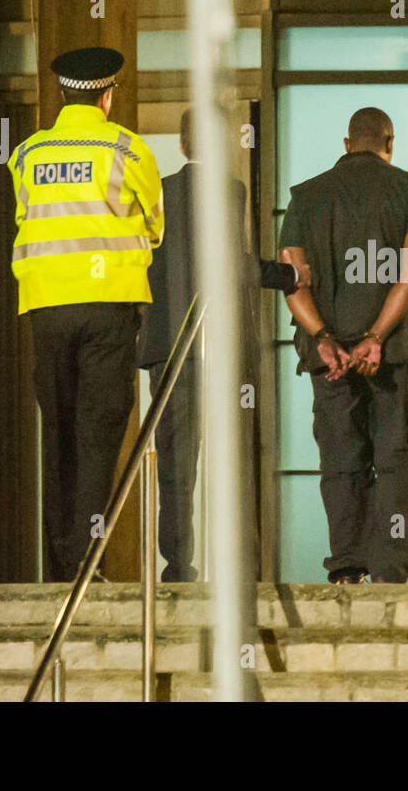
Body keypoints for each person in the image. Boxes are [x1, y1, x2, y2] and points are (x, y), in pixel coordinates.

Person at [7, 46, 164, 583]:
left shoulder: (27, 154)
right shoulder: (127, 149)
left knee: (60, 429)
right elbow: (154, 224)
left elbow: (28, 217)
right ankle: (84, 556)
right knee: (100, 428)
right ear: (107, 94)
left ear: (62, 94)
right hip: (108, 306)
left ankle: (59, 559)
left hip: (45, 306)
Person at [136, 108, 308, 582]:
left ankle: (177, 564)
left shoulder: (157, 193)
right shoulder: (229, 191)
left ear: (182, 142)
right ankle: (239, 562)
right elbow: (230, 264)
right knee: (236, 453)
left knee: (174, 459)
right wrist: (287, 275)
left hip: (167, 345)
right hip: (218, 345)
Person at [279, 107, 408, 584]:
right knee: (395, 461)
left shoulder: (305, 197)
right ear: (389, 143)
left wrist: (325, 339)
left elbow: (292, 278)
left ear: (347, 144)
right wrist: (375, 339)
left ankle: (346, 566)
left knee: (341, 461)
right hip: (393, 353)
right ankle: (389, 570)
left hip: (328, 359)